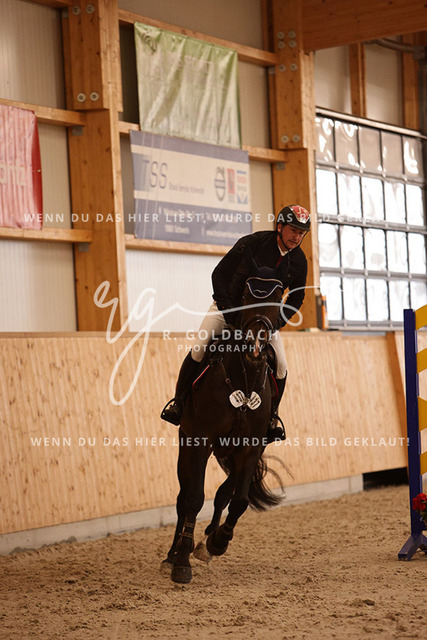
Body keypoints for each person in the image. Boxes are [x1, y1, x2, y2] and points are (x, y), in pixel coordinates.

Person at [161, 204, 310, 441]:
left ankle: (272, 417)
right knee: (199, 349)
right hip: (227, 308)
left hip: (263, 321)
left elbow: (297, 297)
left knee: (281, 365)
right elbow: (219, 274)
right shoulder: (252, 244)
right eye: (293, 230)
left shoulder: (299, 261)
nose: (297, 237)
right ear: (279, 227)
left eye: (301, 233)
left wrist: (276, 322)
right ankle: (178, 403)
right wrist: (229, 311)